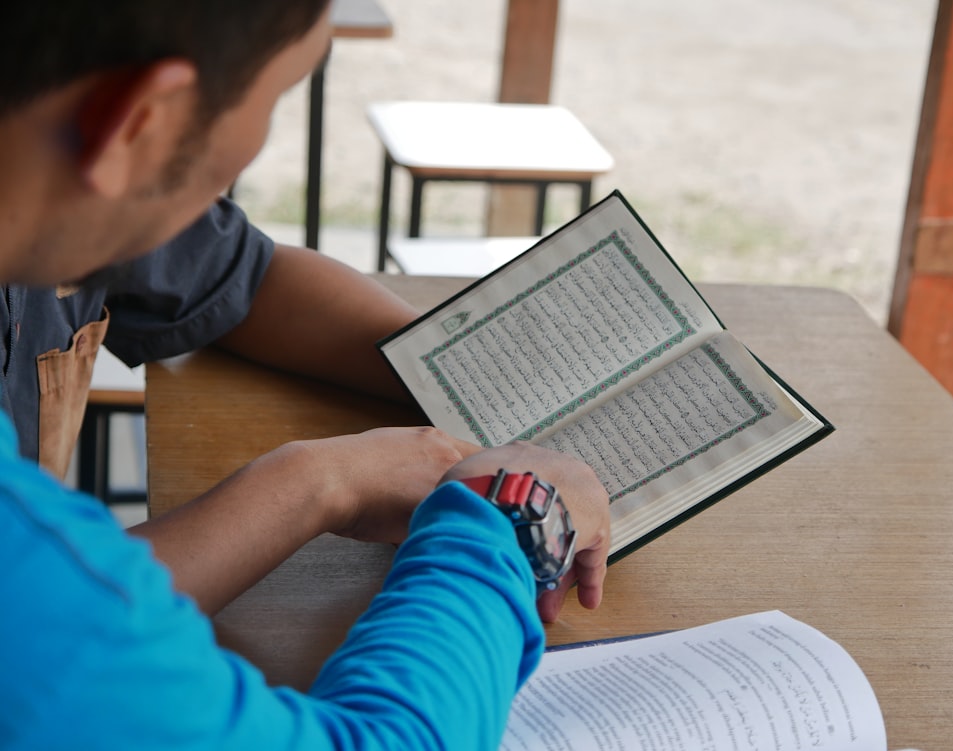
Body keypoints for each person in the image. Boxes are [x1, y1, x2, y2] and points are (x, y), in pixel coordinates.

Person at [0, 2, 611, 749]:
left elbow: (245, 279)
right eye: (282, 92)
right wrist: (510, 520)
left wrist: (467, 379)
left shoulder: (46, 165)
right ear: (141, 123)